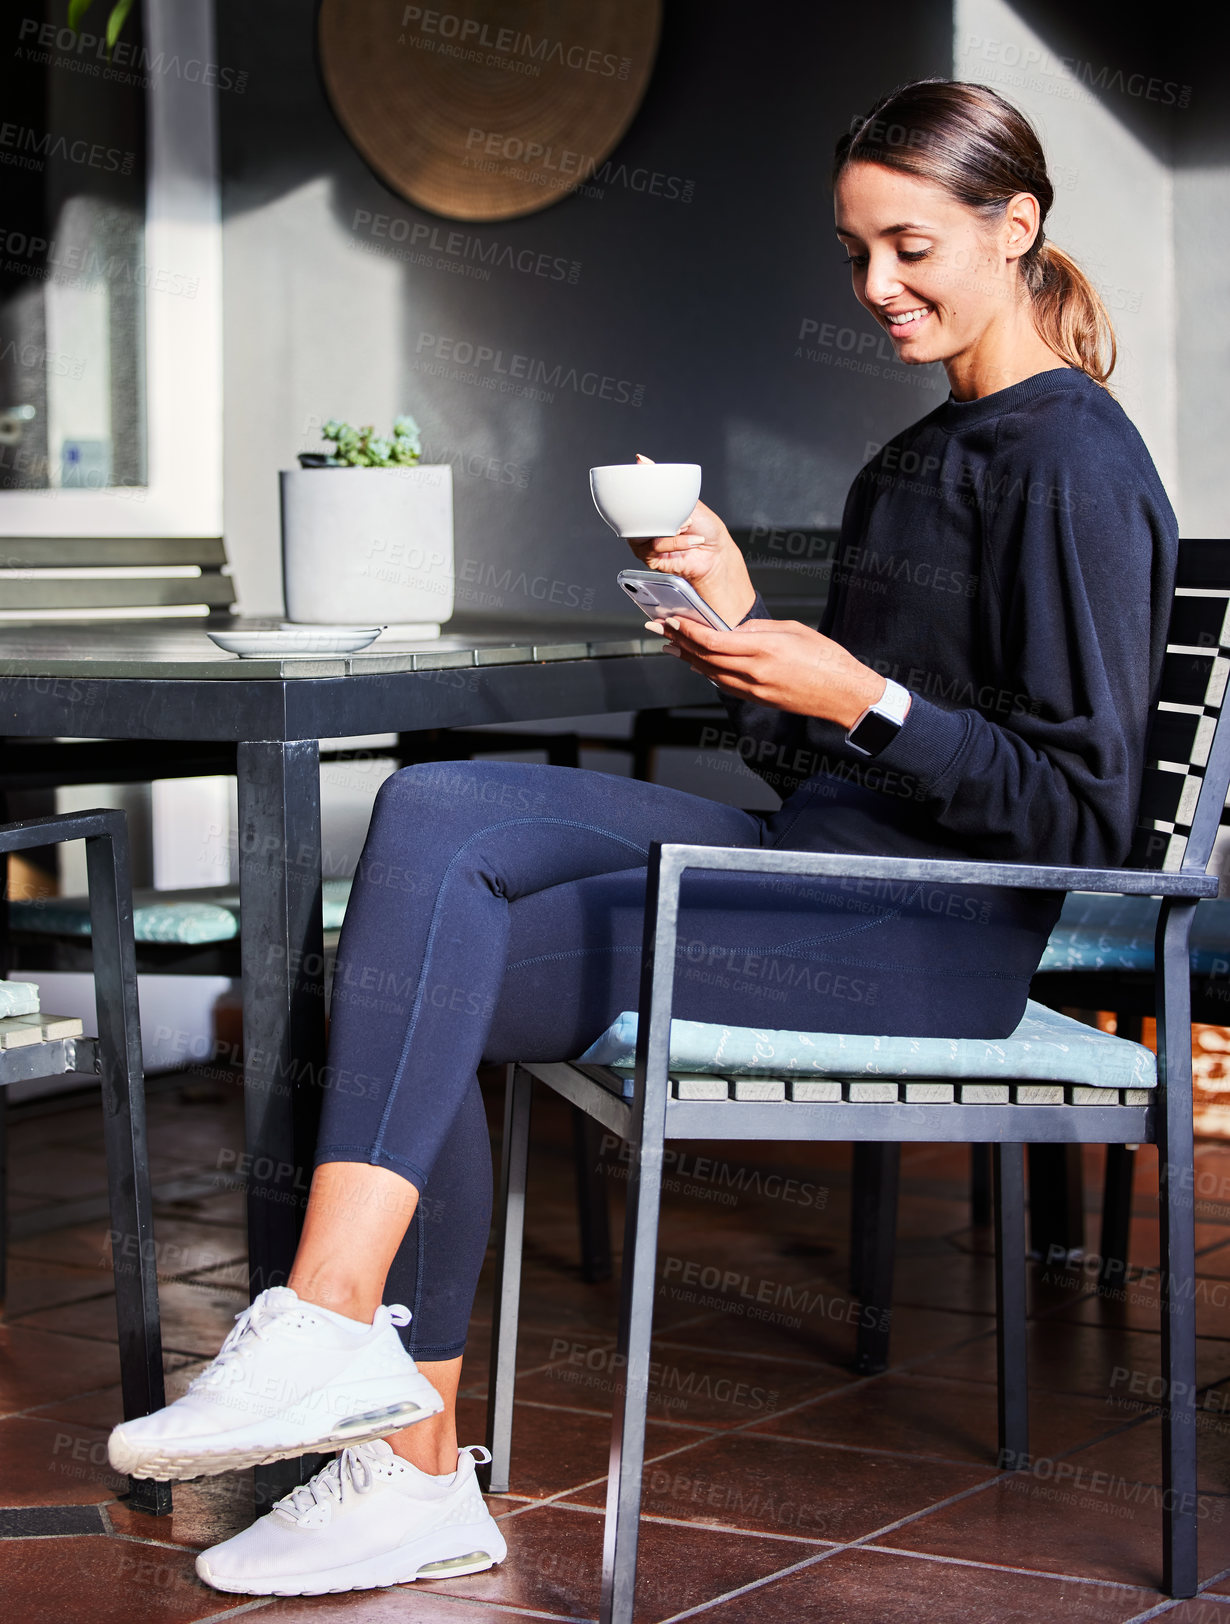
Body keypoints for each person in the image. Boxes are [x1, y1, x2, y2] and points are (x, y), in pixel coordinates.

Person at [108, 78, 1177, 1597]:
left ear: (1015, 229)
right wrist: (743, 636)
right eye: (852, 250)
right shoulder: (916, 458)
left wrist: (860, 695)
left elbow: (1082, 818)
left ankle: (332, 1334)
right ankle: (398, 1460)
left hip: (928, 944)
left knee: (436, 859)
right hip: (812, 871)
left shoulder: (1071, 459)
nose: (875, 286)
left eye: (909, 246)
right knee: (421, 889)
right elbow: (827, 755)